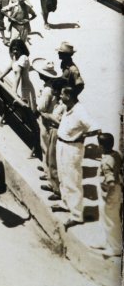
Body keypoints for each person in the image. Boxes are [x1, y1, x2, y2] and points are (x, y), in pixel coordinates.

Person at [51, 86, 99, 228]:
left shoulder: (80, 111)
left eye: (62, 94)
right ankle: (66, 203)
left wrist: (82, 137)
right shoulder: (68, 107)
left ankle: (77, 215)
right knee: (62, 176)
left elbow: (95, 128)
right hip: (62, 144)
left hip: (73, 148)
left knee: (73, 179)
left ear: (70, 96)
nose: (60, 96)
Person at [32, 57, 65, 199]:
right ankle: (48, 174)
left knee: (46, 149)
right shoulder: (51, 87)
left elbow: (41, 107)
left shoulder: (47, 90)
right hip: (49, 120)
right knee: (47, 150)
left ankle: (52, 181)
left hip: (47, 122)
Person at [91, 133, 122, 257]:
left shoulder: (106, 162)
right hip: (111, 191)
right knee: (104, 218)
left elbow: (111, 181)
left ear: (102, 146)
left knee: (111, 220)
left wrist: (107, 192)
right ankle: (106, 241)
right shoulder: (115, 154)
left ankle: (115, 248)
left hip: (110, 193)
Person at [0, 39, 36, 111]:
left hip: (25, 88)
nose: (15, 51)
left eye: (17, 49)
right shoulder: (16, 57)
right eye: (13, 49)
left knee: (26, 109)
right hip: (19, 85)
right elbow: (10, 67)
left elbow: (18, 75)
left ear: (22, 49)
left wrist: (14, 91)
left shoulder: (23, 58)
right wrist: (0, 76)